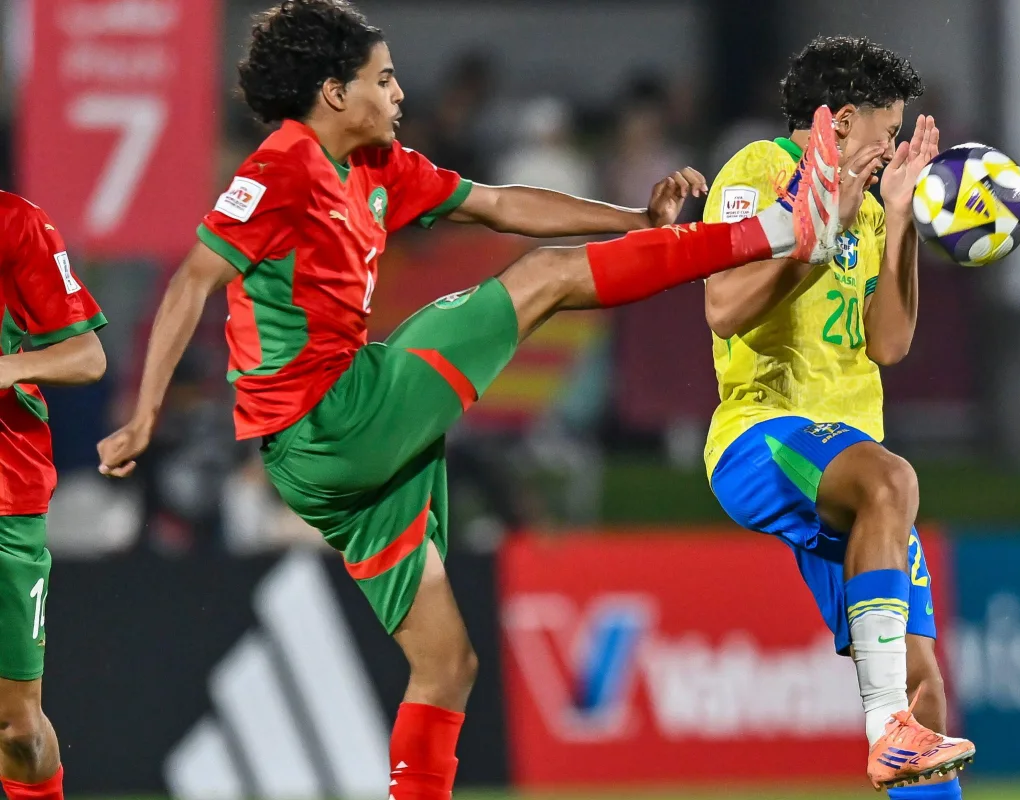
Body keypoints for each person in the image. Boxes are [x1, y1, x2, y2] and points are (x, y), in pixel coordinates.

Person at [95, 2, 828, 798]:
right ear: (335, 93)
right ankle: (775, 233)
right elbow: (192, 282)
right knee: (544, 278)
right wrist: (144, 415)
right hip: (333, 416)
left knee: (447, 665)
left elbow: (502, 204)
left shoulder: (380, 166)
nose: (400, 93)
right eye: (383, 79)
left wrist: (632, 220)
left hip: (331, 462)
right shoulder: (280, 170)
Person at [702, 36, 975, 794]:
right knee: (892, 480)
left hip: (852, 463)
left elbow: (888, 345)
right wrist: (815, 232)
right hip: (762, 433)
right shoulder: (760, 170)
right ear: (845, 119)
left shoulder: (875, 208)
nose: (893, 151)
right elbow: (723, 307)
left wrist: (902, 222)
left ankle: (899, 726)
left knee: (925, 685)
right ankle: (884, 725)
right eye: (889, 133)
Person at [0, 191, 108, 800]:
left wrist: (8, 368)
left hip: (5, 494)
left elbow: (87, 357)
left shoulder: (16, 223)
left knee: (17, 728)